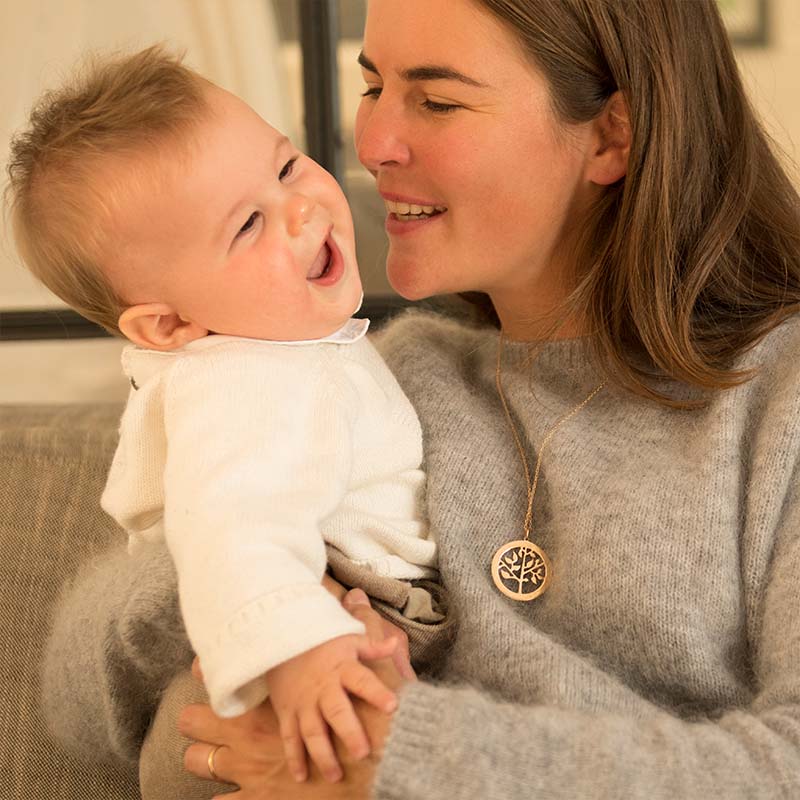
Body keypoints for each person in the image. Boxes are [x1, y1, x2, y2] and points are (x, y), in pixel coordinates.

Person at [32, 0, 800, 797]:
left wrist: (402, 759)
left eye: (437, 100)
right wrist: (290, 584)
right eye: (371, 87)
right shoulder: (384, 378)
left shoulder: (779, 402)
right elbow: (76, 699)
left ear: (612, 135)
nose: (371, 144)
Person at [6, 46, 442, 785]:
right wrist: (300, 650)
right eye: (247, 226)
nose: (302, 208)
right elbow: (229, 522)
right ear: (170, 326)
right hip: (292, 643)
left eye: (285, 167)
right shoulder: (240, 381)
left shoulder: (272, 348)